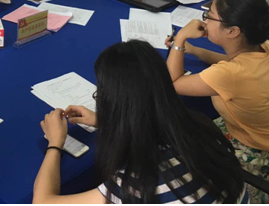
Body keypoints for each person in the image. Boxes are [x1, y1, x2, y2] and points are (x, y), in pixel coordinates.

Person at [33, 40, 247, 204]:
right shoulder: (199, 126)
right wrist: (106, 121)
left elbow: (42, 202)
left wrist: (55, 143)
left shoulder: (138, 183)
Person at [165, 0, 269, 203]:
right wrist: (195, 50)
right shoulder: (265, 46)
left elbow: (173, 84)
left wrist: (180, 39)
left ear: (233, 31)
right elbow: (231, 64)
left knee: (176, 154)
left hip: (259, 152)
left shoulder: (231, 75)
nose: (205, 21)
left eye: (209, 16)